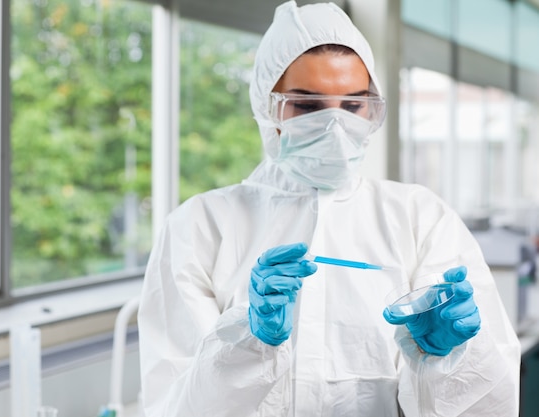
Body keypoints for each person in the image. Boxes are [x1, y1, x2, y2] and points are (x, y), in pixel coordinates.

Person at [137, 1, 521, 416]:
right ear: (268, 107)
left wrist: (449, 358)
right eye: (307, 105)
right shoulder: (199, 227)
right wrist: (247, 343)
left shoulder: (419, 217)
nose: (336, 128)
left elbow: (490, 402)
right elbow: (172, 405)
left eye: (354, 105)